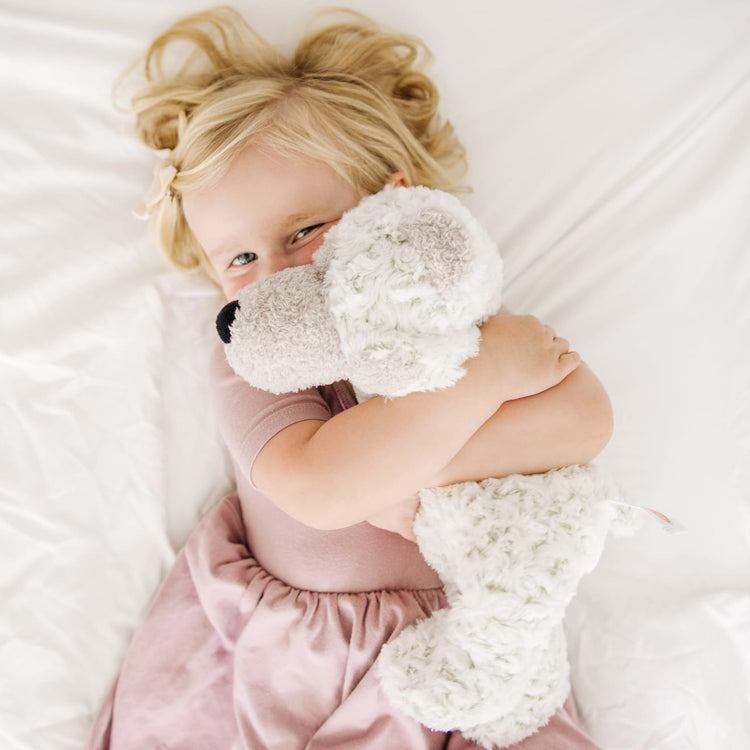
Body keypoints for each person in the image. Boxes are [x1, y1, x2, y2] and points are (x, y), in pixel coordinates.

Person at [88, 7, 612, 749]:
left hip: (461, 651)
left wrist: (412, 482)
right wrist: (478, 392)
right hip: (292, 663)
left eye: (303, 232)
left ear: (390, 201)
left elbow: (585, 420)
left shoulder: (461, 326)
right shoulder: (254, 360)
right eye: (238, 260)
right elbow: (318, 486)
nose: (272, 277)